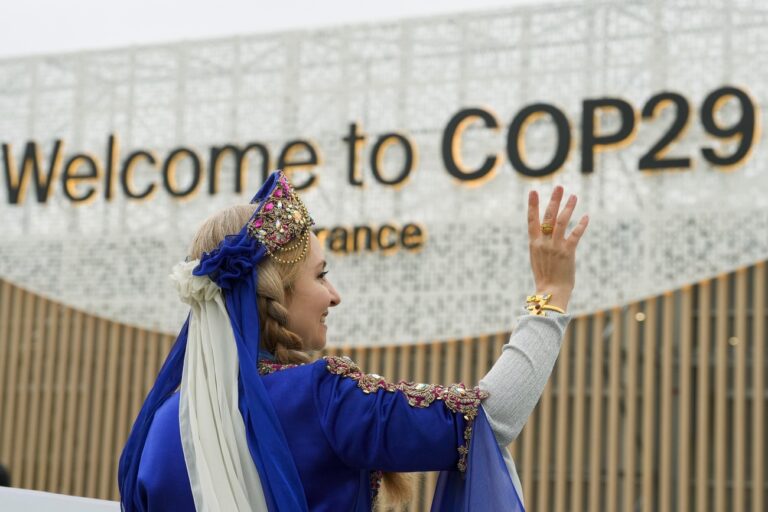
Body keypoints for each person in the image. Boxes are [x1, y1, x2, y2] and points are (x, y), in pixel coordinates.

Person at [118, 170, 588, 511]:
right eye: (321, 275)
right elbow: (490, 418)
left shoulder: (159, 428)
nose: (334, 295)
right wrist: (549, 296)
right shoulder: (325, 398)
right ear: (274, 292)